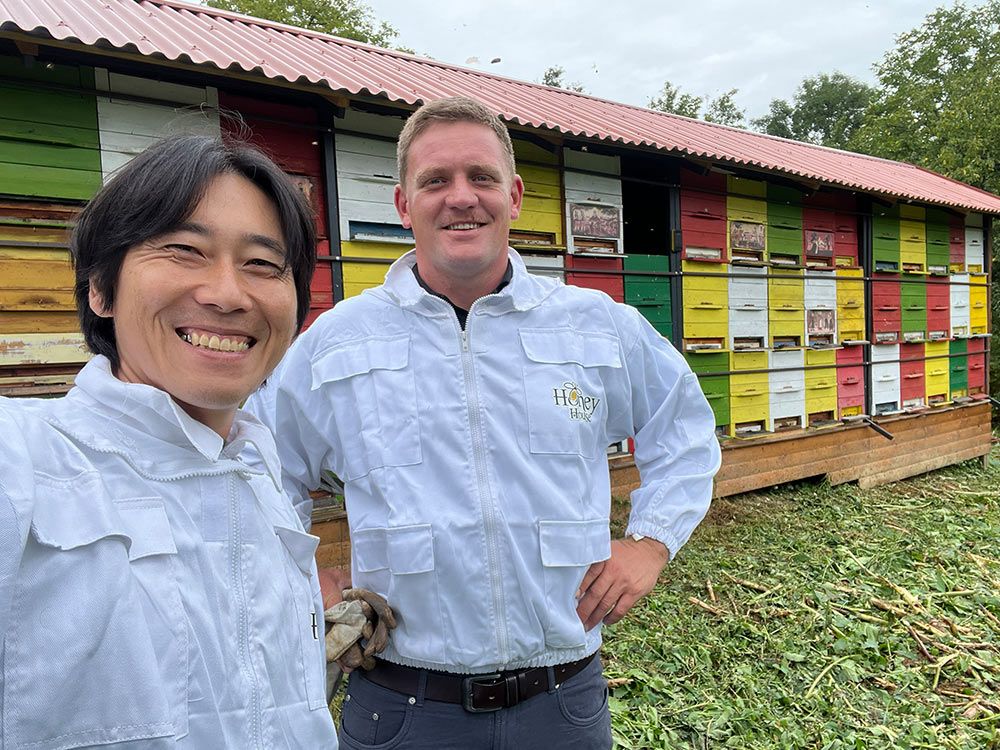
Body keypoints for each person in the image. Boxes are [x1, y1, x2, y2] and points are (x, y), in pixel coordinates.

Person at [249, 96, 721, 749]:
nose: (461, 197)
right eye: (435, 181)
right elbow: (259, 466)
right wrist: (303, 578)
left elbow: (685, 430)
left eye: (481, 177)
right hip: (403, 709)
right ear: (404, 205)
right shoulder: (338, 344)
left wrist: (651, 543)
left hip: (562, 702)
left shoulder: (594, 326)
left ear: (515, 196)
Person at [0, 135, 339, 748]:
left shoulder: (258, 470)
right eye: (184, 250)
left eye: (263, 264)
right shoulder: (26, 460)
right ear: (100, 288)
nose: (227, 294)